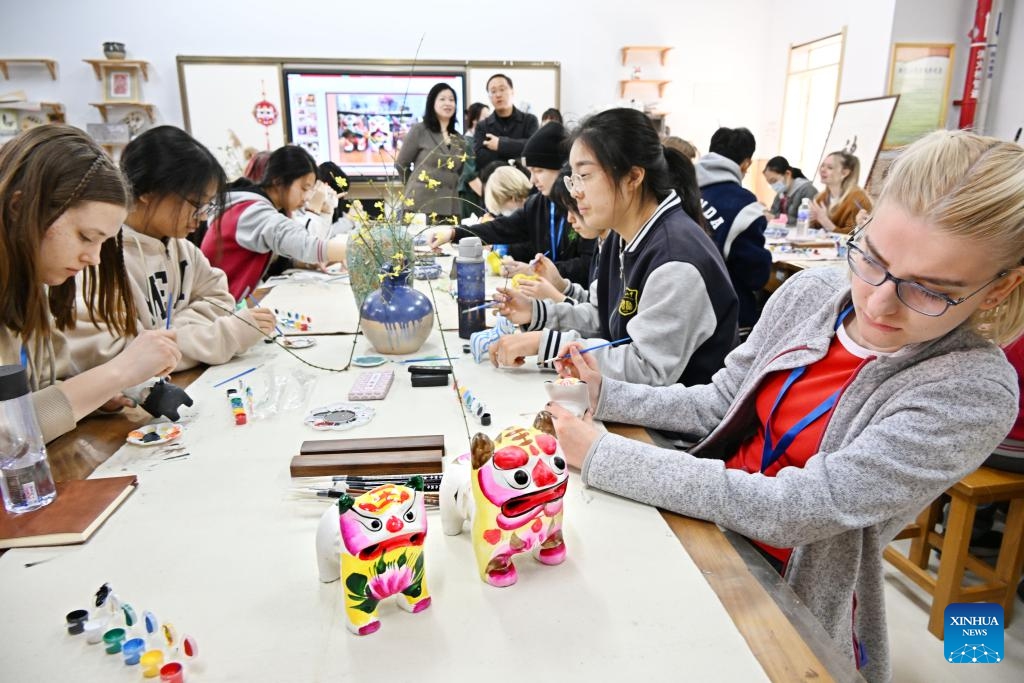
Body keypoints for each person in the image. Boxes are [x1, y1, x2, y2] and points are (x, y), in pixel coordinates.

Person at [544, 130, 1024, 682]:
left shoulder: (970, 389)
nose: (878, 301)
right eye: (871, 257)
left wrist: (607, 456)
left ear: (998, 289)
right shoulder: (814, 293)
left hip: (779, 586)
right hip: (698, 519)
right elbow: (721, 403)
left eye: (931, 290)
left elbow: (796, 508)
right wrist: (608, 392)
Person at [490, 108, 738, 390]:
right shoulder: (620, 238)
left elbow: (647, 369)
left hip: (675, 430)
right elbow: (603, 320)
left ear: (633, 177)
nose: (575, 192)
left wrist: (546, 343)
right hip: (630, 407)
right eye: (573, 178)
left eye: (585, 175)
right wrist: (537, 312)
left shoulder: (675, 261)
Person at [0, 125, 181, 442]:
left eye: (102, 243)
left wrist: (97, 395)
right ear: (20, 208)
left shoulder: (31, 287)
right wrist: (117, 372)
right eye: (85, 237)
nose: (94, 260)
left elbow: (47, 384)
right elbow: (7, 435)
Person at [66, 126, 277, 372]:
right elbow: (117, 357)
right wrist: (220, 337)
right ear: (147, 191)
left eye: (208, 207)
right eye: (196, 204)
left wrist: (170, 332)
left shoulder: (182, 249)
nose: (201, 218)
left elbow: (219, 298)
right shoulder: (99, 258)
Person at [432, 123, 596, 286]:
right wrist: (454, 233)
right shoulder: (539, 203)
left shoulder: (582, 206)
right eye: (530, 171)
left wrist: (535, 271)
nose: (532, 180)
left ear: (562, 168)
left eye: (538, 171)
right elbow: (501, 228)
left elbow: (587, 266)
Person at [200, 145, 347, 299]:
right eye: (304, 188)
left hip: (225, 300)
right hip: (214, 306)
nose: (306, 197)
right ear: (278, 181)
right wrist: (354, 250)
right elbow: (306, 245)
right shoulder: (253, 212)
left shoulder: (250, 205)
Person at [696, 127, 772, 331]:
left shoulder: (682, 189)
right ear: (746, 163)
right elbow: (756, 275)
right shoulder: (744, 205)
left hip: (681, 304)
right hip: (724, 315)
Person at [511, 168, 609, 306]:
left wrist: (555, 297)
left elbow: (600, 322)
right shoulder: (603, 245)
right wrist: (560, 285)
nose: (570, 218)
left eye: (575, 207)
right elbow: (596, 305)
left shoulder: (617, 250)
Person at [395, 82, 466, 224]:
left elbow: (459, 172)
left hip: (450, 207)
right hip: (421, 205)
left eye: (452, 100)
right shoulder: (420, 130)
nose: (448, 103)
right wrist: (414, 186)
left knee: (449, 246)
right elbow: (401, 163)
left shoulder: (459, 139)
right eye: (442, 99)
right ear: (432, 103)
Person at [473, 74, 539, 173]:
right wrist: (517, 151)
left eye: (502, 89)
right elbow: (480, 159)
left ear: (512, 91)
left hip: (524, 182)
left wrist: (500, 145)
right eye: (493, 91)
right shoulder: (482, 126)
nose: (498, 95)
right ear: (489, 97)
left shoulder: (530, 121)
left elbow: (533, 149)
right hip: (492, 183)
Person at [810, 151, 872, 233]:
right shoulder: (821, 197)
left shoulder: (859, 199)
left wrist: (825, 221)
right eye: (822, 166)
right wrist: (810, 220)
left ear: (844, 173)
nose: (822, 170)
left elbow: (853, 236)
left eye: (830, 167)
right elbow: (813, 229)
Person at [763, 155, 818, 225]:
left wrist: (775, 217)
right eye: (770, 183)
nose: (773, 186)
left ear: (787, 174)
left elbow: (807, 222)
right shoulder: (781, 193)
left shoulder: (808, 190)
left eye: (774, 181)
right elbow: (773, 213)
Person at [458, 102, 491, 218]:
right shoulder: (467, 142)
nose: (489, 121)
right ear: (474, 120)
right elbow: (470, 175)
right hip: (471, 196)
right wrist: (488, 198)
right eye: (486, 118)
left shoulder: (482, 142)